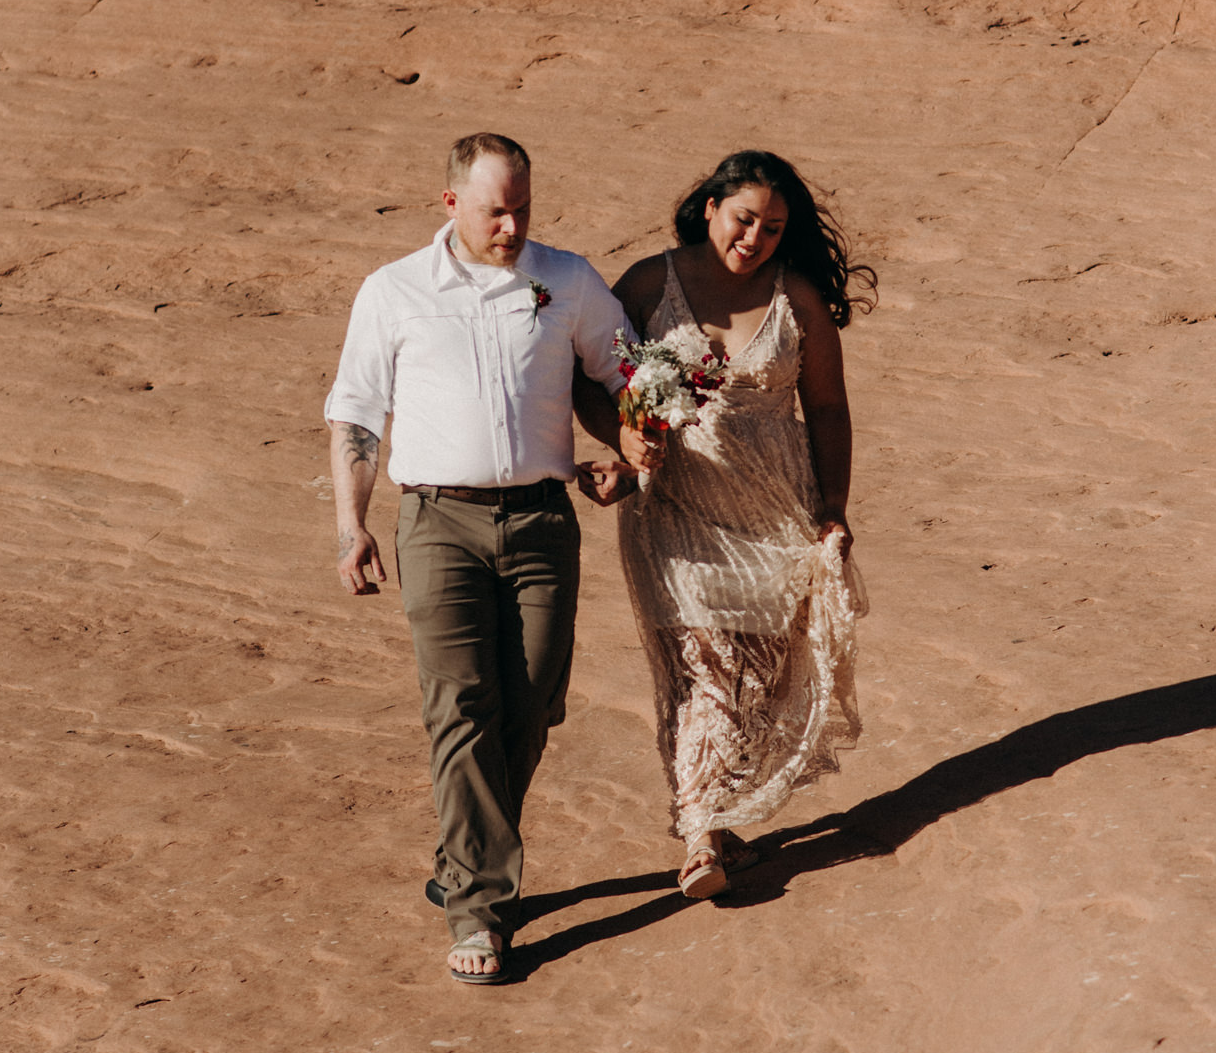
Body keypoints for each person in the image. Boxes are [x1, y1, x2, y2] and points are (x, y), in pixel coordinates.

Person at [325, 131, 657, 984]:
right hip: (438, 523)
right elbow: (357, 414)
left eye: (521, 210)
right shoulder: (393, 292)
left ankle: (461, 846)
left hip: (544, 522)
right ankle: (480, 909)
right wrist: (350, 526)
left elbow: (626, 378)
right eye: (493, 212)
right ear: (450, 205)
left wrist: (632, 453)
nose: (510, 227)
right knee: (462, 706)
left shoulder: (570, 280)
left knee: (536, 698)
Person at [591, 149, 873, 901]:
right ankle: (701, 836)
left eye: (774, 228)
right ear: (710, 206)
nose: (754, 238)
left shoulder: (800, 300)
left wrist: (834, 510)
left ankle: (712, 802)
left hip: (775, 510)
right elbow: (591, 375)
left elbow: (831, 410)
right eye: (743, 218)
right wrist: (622, 442)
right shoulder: (652, 283)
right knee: (703, 665)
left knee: (759, 671)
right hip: (677, 506)